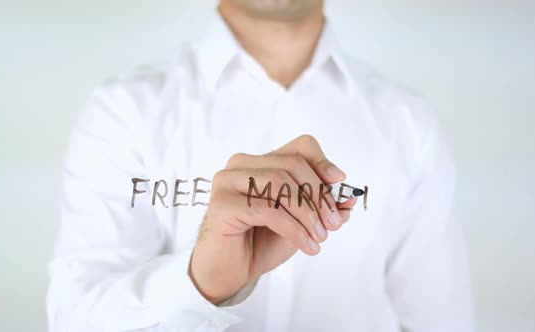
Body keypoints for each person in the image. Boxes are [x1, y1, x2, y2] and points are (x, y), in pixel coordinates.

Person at [46, 0, 474, 331]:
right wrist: (200, 282)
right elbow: (74, 318)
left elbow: (438, 322)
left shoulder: (410, 125)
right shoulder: (123, 111)